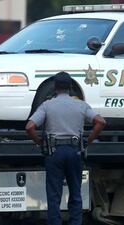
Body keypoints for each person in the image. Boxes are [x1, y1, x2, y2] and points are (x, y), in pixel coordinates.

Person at [26, 71, 106, 225]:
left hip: (54, 152)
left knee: (54, 194)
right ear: (70, 87)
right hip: (75, 150)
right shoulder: (81, 105)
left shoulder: (47, 105)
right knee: (75, 191)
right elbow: (101, 122)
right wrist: (88, 140)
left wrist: (39, 141)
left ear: (55, 87)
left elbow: (29, 126)